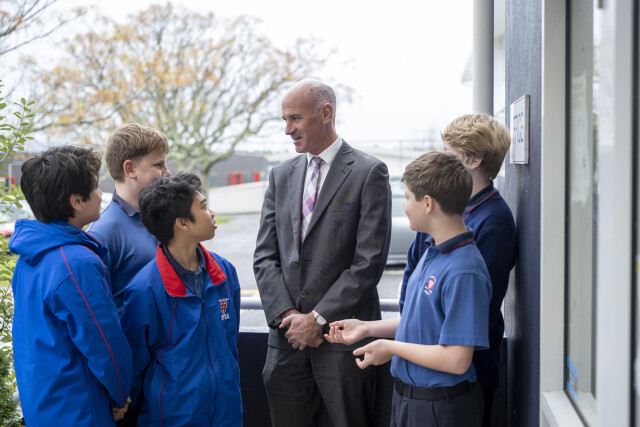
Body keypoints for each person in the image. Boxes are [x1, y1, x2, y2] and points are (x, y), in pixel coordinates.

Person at [253, 78, 392, 427]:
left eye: (295, 118)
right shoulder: (280, 175)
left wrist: (316, 319)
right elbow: (265, 255)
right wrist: (290, 317)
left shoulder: (369, 172)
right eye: (285, 120)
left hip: (341, 343)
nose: (288, 129)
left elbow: (368, 263)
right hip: (287, 342)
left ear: (326, 113)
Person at [326, 151, 492, 427]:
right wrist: (366, 328)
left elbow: (457, 360)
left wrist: (391, 348)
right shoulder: (432, 251)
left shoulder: (464, 271)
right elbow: (421, 323)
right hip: (411, 401)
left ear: (427, 203)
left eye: (406, 197)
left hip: (440, 409)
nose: (403, 205)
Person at [400, 113, 518, 426]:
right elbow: (413, 272)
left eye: (448, 153)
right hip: (422, 367)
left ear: (474, 160)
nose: (441, 159)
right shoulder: (441, 208)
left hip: (462, 378)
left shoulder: (494, 221)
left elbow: (478, 307)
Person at [10, 145, 132, 426]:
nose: (101, 194)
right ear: (77, 201)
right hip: (80, 408)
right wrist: (120, 395)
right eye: (96, 187)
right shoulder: (76, 263)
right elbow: (105, 345)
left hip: (43, 404)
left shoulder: (29, 256)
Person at [120, 173, 242, 426]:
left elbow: (230, 343)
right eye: (203, 206)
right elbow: (135, 367)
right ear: (182, 223)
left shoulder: (225, 272)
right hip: (173, 417)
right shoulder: (144, 290)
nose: (212, 213)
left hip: (227, 413)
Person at [88, 123, 171, 314]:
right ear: (130, 168)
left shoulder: (161, 218)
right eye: (158, 165)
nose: (167, 172)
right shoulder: (102, 234)